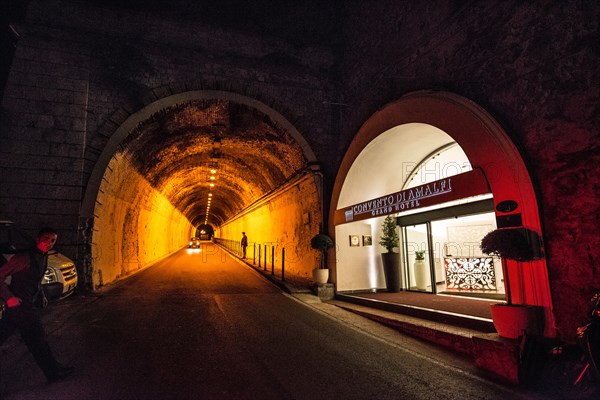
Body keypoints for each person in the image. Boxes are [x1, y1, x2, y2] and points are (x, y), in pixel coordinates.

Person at [0, 227, 74, 383]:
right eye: (46, 239)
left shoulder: (43, 256)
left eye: (53, 240)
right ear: (37, 239)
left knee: (6, 333)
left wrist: (41, 295)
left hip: (22, 307)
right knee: (38, 341)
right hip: (21, 307)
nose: (49, 243)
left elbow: (36, 279)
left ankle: (54, 370)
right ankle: (54, 372)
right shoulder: (23, 258)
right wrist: (9, 298)